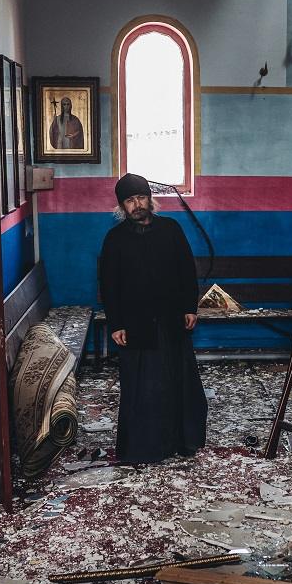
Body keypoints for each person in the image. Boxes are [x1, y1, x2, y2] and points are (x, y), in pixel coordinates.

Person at [98, 173, 207, 464]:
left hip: (172, 321)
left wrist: (190, 307)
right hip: (135, 326)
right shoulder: (115, 239)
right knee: (141, 387)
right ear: (122, 206)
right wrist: (116, 323)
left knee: (177, 380)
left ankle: (181, 442)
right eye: (130, 201)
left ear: (150, 199)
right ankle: (144, 447)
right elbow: (109, 286)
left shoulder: (171, 229)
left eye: (141, 198)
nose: (137, 205)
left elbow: (187, 270)